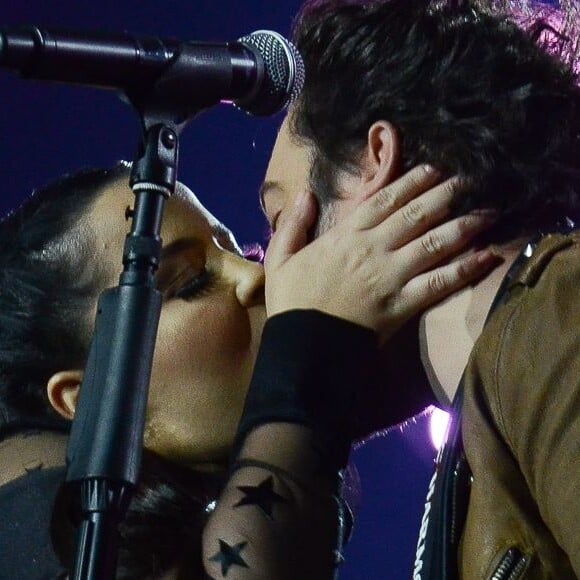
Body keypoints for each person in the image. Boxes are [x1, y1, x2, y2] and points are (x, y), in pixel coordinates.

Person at [204, 0, 580, 578]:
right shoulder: (480, 436)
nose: (269, 277)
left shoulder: (559, 318)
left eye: (281, 222)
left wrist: (301, 367)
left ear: (376, 162)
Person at [0, 158, 493, 578]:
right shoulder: (29, 520)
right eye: (192, 282)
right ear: (85, 398)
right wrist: (312, 369)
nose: (255, 277)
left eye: (241, 252)